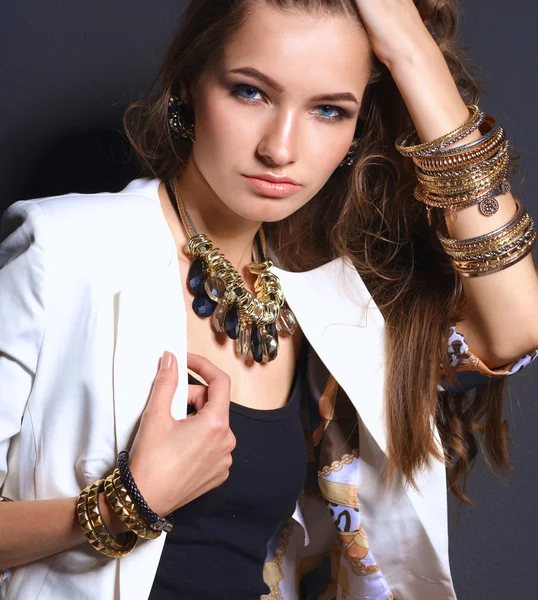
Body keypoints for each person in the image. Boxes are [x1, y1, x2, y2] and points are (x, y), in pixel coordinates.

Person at [1, 0, 537, 598]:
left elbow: (515, 325)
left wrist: (412, 50)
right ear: (189, 85)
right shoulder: (66, 250)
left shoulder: (327, 305)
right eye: (251, 93)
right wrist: (129, 504)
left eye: (329, 110)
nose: (280, 149)